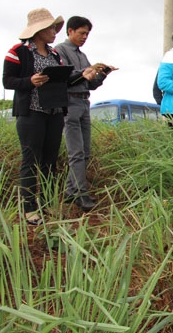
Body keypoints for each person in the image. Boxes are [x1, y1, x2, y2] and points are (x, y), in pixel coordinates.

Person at [2, 8, 67, 225]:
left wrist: (83, 75)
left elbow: (61, 81)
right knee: (30, 161)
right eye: (50, 28)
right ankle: (29, 208)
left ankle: (48, 204)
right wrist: (29, 81)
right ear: (38, 30)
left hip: (54, 112)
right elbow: (7, 81)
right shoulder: (18, 52)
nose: (54, 32)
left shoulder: (55, 54)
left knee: (50, 162)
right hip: (31, 113)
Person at [55, 16, 117, 211]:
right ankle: (81, 194)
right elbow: (63, 78)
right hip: (69, 102)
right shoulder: (60, 51)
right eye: (81, 33)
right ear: (70, 31)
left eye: (87, 34)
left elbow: (90, 84)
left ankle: (70, 192)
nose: (84, 37)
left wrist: (102, 74)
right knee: (76, 153)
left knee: (85, 152)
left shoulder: (82, 55)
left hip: (83, 102)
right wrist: (84, 72)